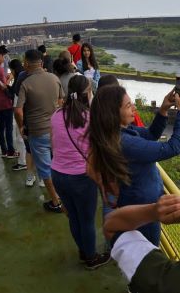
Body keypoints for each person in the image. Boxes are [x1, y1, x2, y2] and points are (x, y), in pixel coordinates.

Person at [89, 85, 180, 245]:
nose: (134, 108)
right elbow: (174, 147)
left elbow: (150, 135)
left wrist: (163, 109)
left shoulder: (117, 132)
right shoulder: (125, 143)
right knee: (147, 253)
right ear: (113, 113)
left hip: (137, 202)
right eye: (128, 106)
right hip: (143, 209)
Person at [51, 75, 110, 269]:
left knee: (74, 217)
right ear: (87, 93)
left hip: (58, 175)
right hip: (81, 177)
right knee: (86, 220)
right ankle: (91, 258)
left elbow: (55, 144)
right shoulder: (90, 118)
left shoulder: (56, 115)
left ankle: (83, 251)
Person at [15, 49, 64, 212]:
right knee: (58, 163)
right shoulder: (54, 78)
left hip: (37, 132)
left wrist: (21, 126)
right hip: (55, 131)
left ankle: (56, 202)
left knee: (45, 168)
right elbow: (60, 102)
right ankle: (64, 194)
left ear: (26, 63)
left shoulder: (25, 84)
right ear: (41, 63)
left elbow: (18, 110)